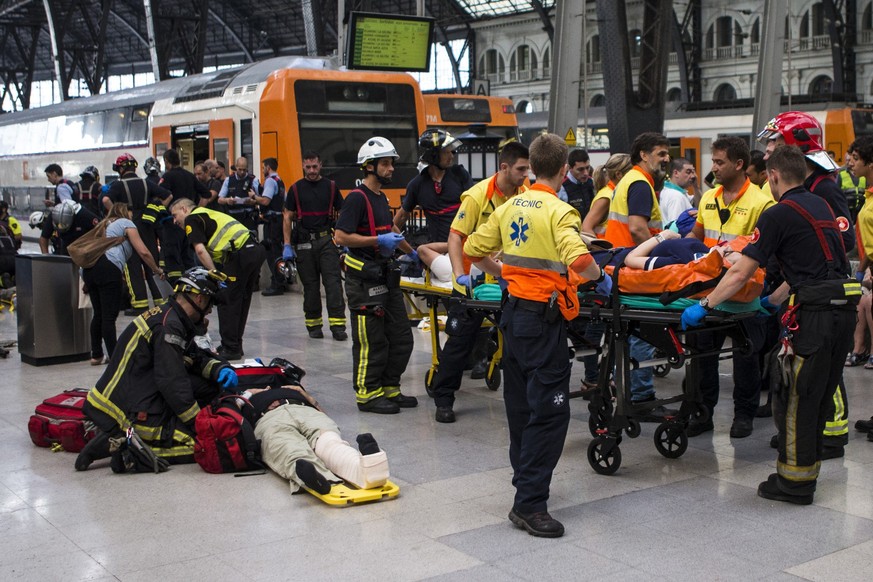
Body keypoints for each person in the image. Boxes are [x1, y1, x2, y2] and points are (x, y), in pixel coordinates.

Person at [681, 145, 859, 505]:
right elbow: (812, 266)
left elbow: (742, 271)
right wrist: (772, 302)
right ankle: (805, 473)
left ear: (773, 176)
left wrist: (705, 304)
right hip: (844, 310)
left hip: (816, 316)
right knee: (819, 395)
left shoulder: (778, 213)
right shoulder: (820, 205)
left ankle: (794, 484)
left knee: (794, 397)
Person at [464, 133, 610, 538]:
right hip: (542, 323)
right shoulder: (561, 211)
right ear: (564, 170)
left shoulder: (510, 206)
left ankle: (525, 482)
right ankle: (529, 504)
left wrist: (505, 276)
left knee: (520, 405)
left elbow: (475, 250)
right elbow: (580, 260)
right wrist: (599, 278)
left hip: (512, 316)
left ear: (531, 165)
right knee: (550, 412)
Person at [758, 111, 854, 456]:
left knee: (824, 365)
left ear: (795, 145)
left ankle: (833, 431)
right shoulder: (803, 185)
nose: (768, 151)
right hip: (799, 288)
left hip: (822, 292)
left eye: (774, 143)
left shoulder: (823, 186)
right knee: (806, 367)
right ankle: (807, 428)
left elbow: (844, 240)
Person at [77, 267, 239, 472]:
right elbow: (172, 381)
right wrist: (198, 424)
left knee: (209, 387)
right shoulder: (168, 326)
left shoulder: (170, 316)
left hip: (134, 394)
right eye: (210, 304)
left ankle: (117, 437)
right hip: (129, 408)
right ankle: (126, 449)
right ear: (199, 299)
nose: (209, 311)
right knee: (202, 447)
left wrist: (219, 370)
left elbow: (193, 356)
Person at [429, 141, 530, 423]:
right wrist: (460, 274)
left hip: (506, 282)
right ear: (504, 167)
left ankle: (519, 400)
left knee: (515, 340)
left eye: (527, 169)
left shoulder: (525, 193)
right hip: (472, 283)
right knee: (460, 343)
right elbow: (455, 237)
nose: (525, 175)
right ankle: (444, 398)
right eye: (521, 169)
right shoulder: (477, 197)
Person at [686, 136, 775, 438]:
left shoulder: (762, 203)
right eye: (713, 161)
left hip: (743, 295)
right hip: (708, 293)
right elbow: (696, 238)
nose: (714, 168)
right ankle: (702, 413)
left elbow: (765, 252)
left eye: (720, 162)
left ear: (739, 165)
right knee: (702, 359)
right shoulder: (708, 198)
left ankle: (744, 415)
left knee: (745, 359)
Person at [333, 137, 417, 414]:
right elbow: (340, 236)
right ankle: (368, 394)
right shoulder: (357, 199)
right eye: (385, 163)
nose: (391, 168)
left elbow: (390, 229)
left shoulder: (381, 198)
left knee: (402, 337)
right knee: (372, 340)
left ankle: (390, 387)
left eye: (391, 163)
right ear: (369, 167)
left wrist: (412, 253)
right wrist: (376, 242)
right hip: (364, 281)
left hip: (385, 277)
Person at [604, 133, 670, 412]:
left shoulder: (628, 180)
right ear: (643, 155)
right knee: (643, 332)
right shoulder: (641, 183)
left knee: (627, 333)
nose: (666, 158)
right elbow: (638, 228)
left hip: (619, 264)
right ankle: (641, 395)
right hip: (634, 268)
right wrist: (661, 255)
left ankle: (625, 387)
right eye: (661, 153)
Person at [240, 385, 389, 494]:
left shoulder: (292, 388)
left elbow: (324, 414)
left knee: (329, 442)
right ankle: (318, 479)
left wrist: (307, 397)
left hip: (306, 410)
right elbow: (229, 419)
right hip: (269, 418)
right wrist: (246, 394)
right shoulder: (242, 396)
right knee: (290, 449)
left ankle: (371, 469)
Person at [170, 198, 266, 361]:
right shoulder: (207, 213)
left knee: (226, 300)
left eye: (175, 215)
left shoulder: (192, 219)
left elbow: (200, 250)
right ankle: (235, 344)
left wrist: (213, 273)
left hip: (240, 254)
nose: (174, 221)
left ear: (185, 209)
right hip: (253, 250)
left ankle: (231, 347)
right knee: (240, 300)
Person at [82, 203, 165, 366]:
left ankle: (96, 355)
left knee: (98, 314)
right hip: (108, 267)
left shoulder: (102, 224)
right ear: (126, 211)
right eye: (131, 212)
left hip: (89, 270)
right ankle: (115, 357)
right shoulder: (125, 223)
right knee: (109, 316)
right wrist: (156, 269)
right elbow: (143, 251)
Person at [282, 151, 347, 339]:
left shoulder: (332, 187)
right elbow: (287, 216)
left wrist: (344, 238)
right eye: (308, 167)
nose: (311, 170)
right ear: (303, 166)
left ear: (320, 165)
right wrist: (287, 245)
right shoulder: (295, 189)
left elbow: (342, 212)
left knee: (333, 284)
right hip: (303, 243)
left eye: (315, 167)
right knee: (310, 287)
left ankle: (338, 326)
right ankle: (314, 326)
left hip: (327, 240)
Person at [102, 153, 172, 314]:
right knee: (151, 261)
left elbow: (106, 200)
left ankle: (140, 305)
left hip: (129, 226)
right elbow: (168, 195)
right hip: (148, 225)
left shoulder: (118, 186)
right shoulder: (146, 183)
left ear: (121, 169)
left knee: (133, 265)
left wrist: (117, 216)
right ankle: (161, 300)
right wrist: (155, 210)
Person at [394, 129, 472, 244]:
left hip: (464, 246)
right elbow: (401, 217)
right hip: (436, 249)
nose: (451, 156)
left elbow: (476, 206)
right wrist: (387, 241)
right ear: (433, 155)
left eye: (452, 151)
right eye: (446, 152)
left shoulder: (460, 174)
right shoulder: (417, 185)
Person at [159, 149, 206, 282]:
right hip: (188, 224)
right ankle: (192, 284)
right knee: (188, 258)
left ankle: (176, 288)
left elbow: (161, 195)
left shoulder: (167, 177)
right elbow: (206, 194)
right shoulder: (190, 176)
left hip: (171, 224)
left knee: (172, 257)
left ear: (167, 162)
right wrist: (196, 211)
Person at [253, 157, 287, 297]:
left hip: (272, 222)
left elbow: (266, 201)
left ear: (268, 167)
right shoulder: (280, 181)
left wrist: (253, 196)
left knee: (272, 252)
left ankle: (277, 283)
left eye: (263, 168)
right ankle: (281, 280)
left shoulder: (270, 181)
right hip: (278, 220)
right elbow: (285, 200)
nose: (262, 170)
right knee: (277, 250)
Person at [584, 153, 633, 237]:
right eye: (631, 173)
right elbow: (586, 228)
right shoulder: (606, 196)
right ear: (619, 175)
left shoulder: (615, 192)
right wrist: (600, 248)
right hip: (608, 249)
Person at [218, 157, 260, 233]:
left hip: (248, 217)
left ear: (247, 168)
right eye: (240, 169)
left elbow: (261, 199)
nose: (242, 172)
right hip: (234, 218)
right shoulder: (228, 180)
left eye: (244, 170)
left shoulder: (253, 180)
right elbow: (220, 199)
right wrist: (227, 200)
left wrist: (253, 201)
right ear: (236, 167)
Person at [558, 148, 595, 220]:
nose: (586, 173)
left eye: (587, 168)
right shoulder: (561, 187)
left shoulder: (591, 182)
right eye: (580, 169)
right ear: (569, 168)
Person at [659, 158, 697, 224]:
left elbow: (699, 205)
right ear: (676, 173)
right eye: (688, 172)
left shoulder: (669, 190)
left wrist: (696, 187)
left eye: (693, 172)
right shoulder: (676, 196)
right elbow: (676, 227)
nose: (693, 176)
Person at [0, 201, 19, 289]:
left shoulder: (10, 220)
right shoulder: (3, 228)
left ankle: (3, 280)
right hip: (14, 255)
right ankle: (12, 279)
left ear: (4, 209)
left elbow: (18, 236)